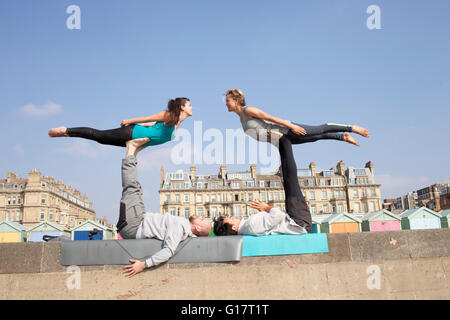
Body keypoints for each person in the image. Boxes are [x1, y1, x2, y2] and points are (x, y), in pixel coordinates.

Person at [119, 137, 212, 278]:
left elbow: (168, 251)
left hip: (134, 224)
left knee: (131, 188)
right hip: (140, 219)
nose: (201, 216)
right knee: (136, 188)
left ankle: (131, 150)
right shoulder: (183, 226)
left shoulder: (181, 228)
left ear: (198, 228)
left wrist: (143, 265)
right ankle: (133, 153)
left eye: (202, 219)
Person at [213, 134, 312, 236]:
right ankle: (284, 139)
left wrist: (261, 213)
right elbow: (277, 216)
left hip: (296, 222)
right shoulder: (250, 225)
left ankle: (282, 141)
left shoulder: (248, 227)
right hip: (298, 222)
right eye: (230, 219)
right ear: (233, 227)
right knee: (290, 178)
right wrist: (266, 208)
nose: (233, 216)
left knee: (288, 177)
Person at [224, 89, 369, 147]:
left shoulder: (248, 110)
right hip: (282, 139)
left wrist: (292, 126)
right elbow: (264, 135)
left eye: (228, 100)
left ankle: (351, 128)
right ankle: (342, 137)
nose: (226, 104)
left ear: (236, 101)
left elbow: (271, 118)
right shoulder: (241, 119)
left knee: (319, 129)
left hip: (287, 130)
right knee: (314, 138)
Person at [48, 97, 192, 148]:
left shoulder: (176, 125)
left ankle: (68, 134)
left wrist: (136, 150)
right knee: (99, 135)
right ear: (182, 107)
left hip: (135, 141)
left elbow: (153, 138)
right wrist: (129, 121)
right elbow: (146, 119)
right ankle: (66, 130)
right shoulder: (168, 115)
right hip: (133, 132)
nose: (192, 108)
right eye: (189, 105)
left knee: (101, 141)